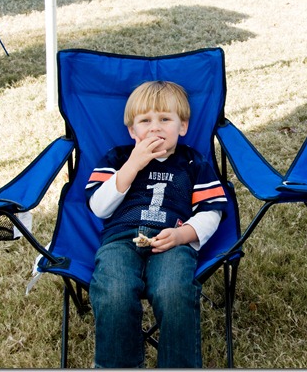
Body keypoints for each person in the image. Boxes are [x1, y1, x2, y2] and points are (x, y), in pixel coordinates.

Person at [85, 80, 227, 368]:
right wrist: (132, 166)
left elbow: (211, 212)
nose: (155, 127)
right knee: (114, 293)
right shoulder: (118, 158)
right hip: (120, 241)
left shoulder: (192, 163)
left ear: (182, 126)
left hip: (172, 241)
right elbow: (99, 207)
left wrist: (182, 235)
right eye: (145, 120)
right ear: (132, 130)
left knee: (174, 292)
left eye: (165, 119)